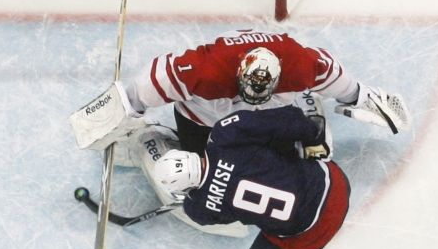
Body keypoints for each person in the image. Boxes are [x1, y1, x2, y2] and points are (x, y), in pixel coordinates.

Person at [152, 105, 350, 249]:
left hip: (309, 235)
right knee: (269, 142)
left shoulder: (200, 209)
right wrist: (311, 137)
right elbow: (287, 118)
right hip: (333, 185)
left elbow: (196, 205)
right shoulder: (225, 135)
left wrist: (196, 195)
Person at [123, 28, 411, 156]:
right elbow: (145, 86)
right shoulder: (205, 72)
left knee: (293, 156)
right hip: (205, 120)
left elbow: (346, 86)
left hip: (268, 117)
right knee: (199, 166)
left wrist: (364, 99)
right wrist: (124, 112)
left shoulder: (301, 66)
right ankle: (158, 142)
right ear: (238, 74)